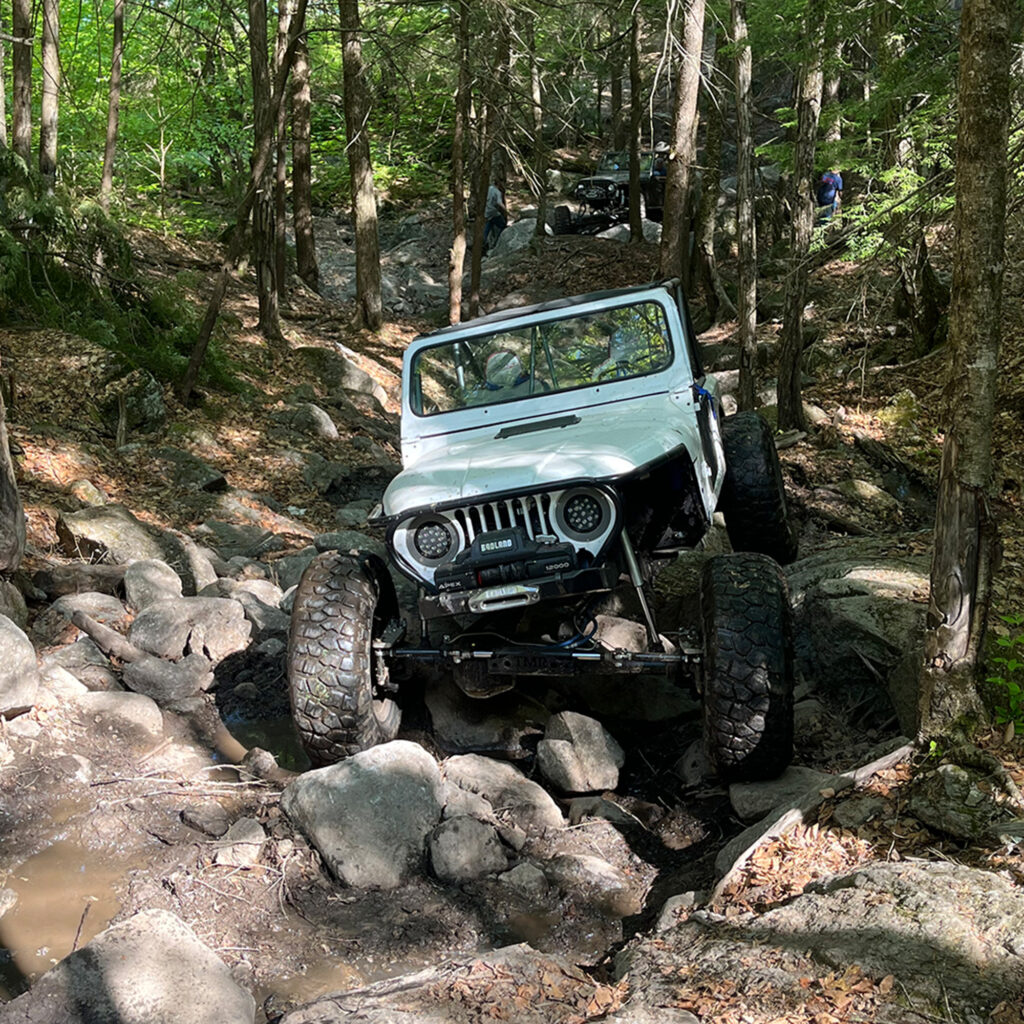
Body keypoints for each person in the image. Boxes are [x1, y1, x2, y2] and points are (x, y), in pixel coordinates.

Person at [483, 176, 508, 252]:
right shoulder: (497, 192)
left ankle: (483, 242)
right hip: (493, 211)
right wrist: (507, 211)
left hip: (487, 211)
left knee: (488, 225)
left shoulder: (489, 189)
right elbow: (499, 203)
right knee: (503, 226)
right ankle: (497, 242)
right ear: (500, 184)